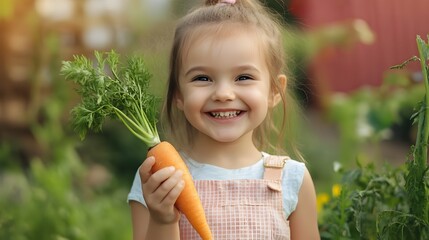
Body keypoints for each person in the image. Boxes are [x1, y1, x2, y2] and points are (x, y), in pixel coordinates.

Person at [128, 0, 320, 239]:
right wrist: (163, 219)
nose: (223, 94)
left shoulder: (293, 179)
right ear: (178, 93)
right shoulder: (159, 179)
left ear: (273, 90)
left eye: (243, 77)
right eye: (202, 78)